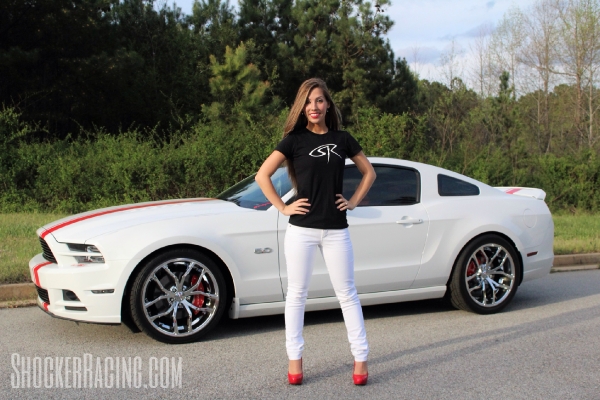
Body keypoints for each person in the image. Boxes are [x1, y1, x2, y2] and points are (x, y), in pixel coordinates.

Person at [255, 78, 376, 385]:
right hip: (301, 231)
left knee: (347, 294)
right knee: (296, 295)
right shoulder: (294, 140)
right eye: (308, 102)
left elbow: (369, 172)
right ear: (302, 107)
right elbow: (263, 175)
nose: (314, 107)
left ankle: (360, 360)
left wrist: (352, 202)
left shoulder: (342, 138)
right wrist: (283, 208)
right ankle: (295, 362)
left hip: (336, 230)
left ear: (328, 105)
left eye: (319, 100)